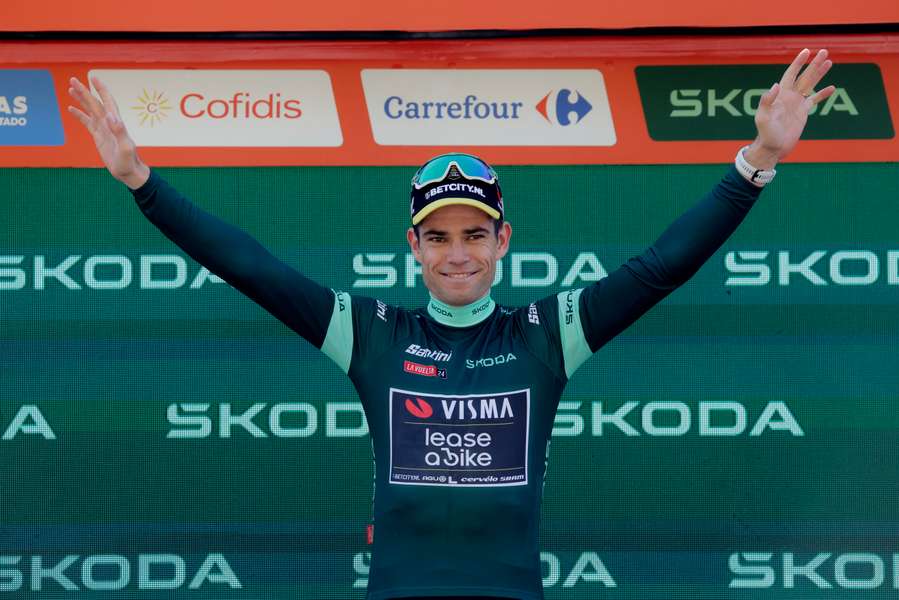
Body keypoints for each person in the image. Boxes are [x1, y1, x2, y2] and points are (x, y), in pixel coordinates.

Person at [68, 48, 835, 600]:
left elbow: (661, 266)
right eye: (438, 236)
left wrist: (757, 159)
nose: (457, 253)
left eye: (474, 234)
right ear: (414, 246)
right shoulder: (372, 333)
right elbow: (251, 268)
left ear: (503, 241)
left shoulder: (546, 333)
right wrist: (142, 182)